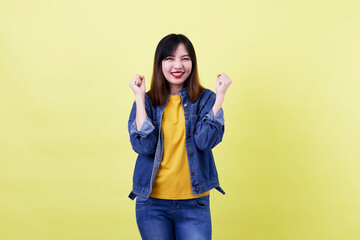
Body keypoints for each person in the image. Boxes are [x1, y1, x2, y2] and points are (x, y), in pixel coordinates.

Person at [127, 33, 232, 240]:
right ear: (160, 64)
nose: (178, 65)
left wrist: (220, 97)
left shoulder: (206, 98)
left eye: (185, 58)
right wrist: (139, 96)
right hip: (152, 204)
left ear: (192, 63)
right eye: (170, 58)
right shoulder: (147, 101)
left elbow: (204, 141)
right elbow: (144, 147)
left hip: (194, 203)